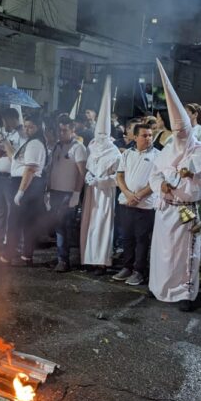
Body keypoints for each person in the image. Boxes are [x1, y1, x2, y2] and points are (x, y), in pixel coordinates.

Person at [149, 60, 201, 311]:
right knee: (163, 252)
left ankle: (183, 293)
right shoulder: (167, 149)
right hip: (166, 208)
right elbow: (155, 175)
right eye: (177, 134)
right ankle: (161, 287)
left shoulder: (200, 151)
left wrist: (192, 175)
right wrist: (161, 186)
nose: (180, 138)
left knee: (185, 252)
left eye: (183, 134)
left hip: (186, 209)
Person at [79, 77, 122, 274]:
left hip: (105, 193)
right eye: (98, 134)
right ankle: (88, 258)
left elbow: (118, 178)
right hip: (91, 192)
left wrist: (101, 181)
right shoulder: (91, 146)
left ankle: (101, 261)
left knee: (102, 225)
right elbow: (88, 166)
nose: (100, 138)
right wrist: (89, 177)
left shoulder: (115, 152)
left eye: (104, 135)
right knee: (88, 223)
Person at [113, 123, 159, 286]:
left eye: (150, 135)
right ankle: (127, 267)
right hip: (126, 203)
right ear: (135, 137)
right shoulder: (127, 154)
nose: (148, 138)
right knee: (127, 237)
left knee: (142, 240)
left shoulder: (157, 156)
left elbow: (156, 181)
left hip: (145, 206)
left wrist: (138, 196)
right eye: (144, 135)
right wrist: (127, 194)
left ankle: (139, 271)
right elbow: (119, 176)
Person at [1, 115, 47, 266]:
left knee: (15, 222)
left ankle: (9, 255)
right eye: (25, 126)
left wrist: (20, 192)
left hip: (26, 185)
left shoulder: (34, 144)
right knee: (27, 222)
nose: (27, 129)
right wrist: (5, 141)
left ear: (38, 128)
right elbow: (14, 158)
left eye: (30, 127)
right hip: (26, 184)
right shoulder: (30, 142)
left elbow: (30, 169)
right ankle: (26, 256)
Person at [47, 114, 87, 272]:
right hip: (55, 191)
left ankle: (64, 260)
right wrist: (47, 190)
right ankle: (60, 256)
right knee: (57, 225)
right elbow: (51, 169)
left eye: (64, 130)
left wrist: (76, 194)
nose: (61, 133)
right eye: (59, 130)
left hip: (68, 193)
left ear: (72, 130)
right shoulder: (56, 146)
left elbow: (82, 173)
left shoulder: (78, 148)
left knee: (64, 225)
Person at [0, 108, 24, 242]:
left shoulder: (22, 135)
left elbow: (15, 157)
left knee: (12, 210)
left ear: (12, 119)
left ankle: (11, 241)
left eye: (5, 120)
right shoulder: (4, 132)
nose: (3, 123)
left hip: (11, 178)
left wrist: (5, 143)